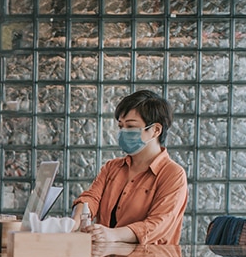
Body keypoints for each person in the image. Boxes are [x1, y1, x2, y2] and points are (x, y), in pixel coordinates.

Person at [73, 90, 187, 245]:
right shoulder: (112, 167)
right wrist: (76, 219)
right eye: (121, 126)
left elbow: (157, 224)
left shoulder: (173, 174)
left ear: (156, 130)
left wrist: (113, 235)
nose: (123, 132)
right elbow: (91, 198)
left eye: (131, 126)